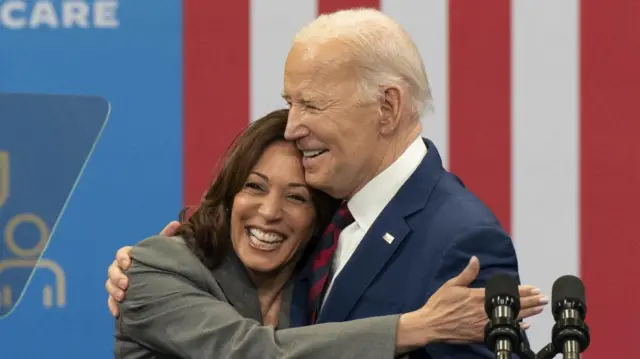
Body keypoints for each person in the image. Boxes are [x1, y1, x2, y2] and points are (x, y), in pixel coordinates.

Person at [108, 8, 547, 358]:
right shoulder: (328, 219)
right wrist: (160, 263)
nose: (294, 126)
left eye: (313, 105)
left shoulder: (461, 238)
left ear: (387, 108)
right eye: (290, 103)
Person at [114, 109, 518, 358]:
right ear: (229, 194)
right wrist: (418, 327)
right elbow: (251, 353)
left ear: (317, 221)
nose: (270, 213)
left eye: (297, 198)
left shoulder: (319, 283)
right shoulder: (156, 268)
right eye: (254, 187)